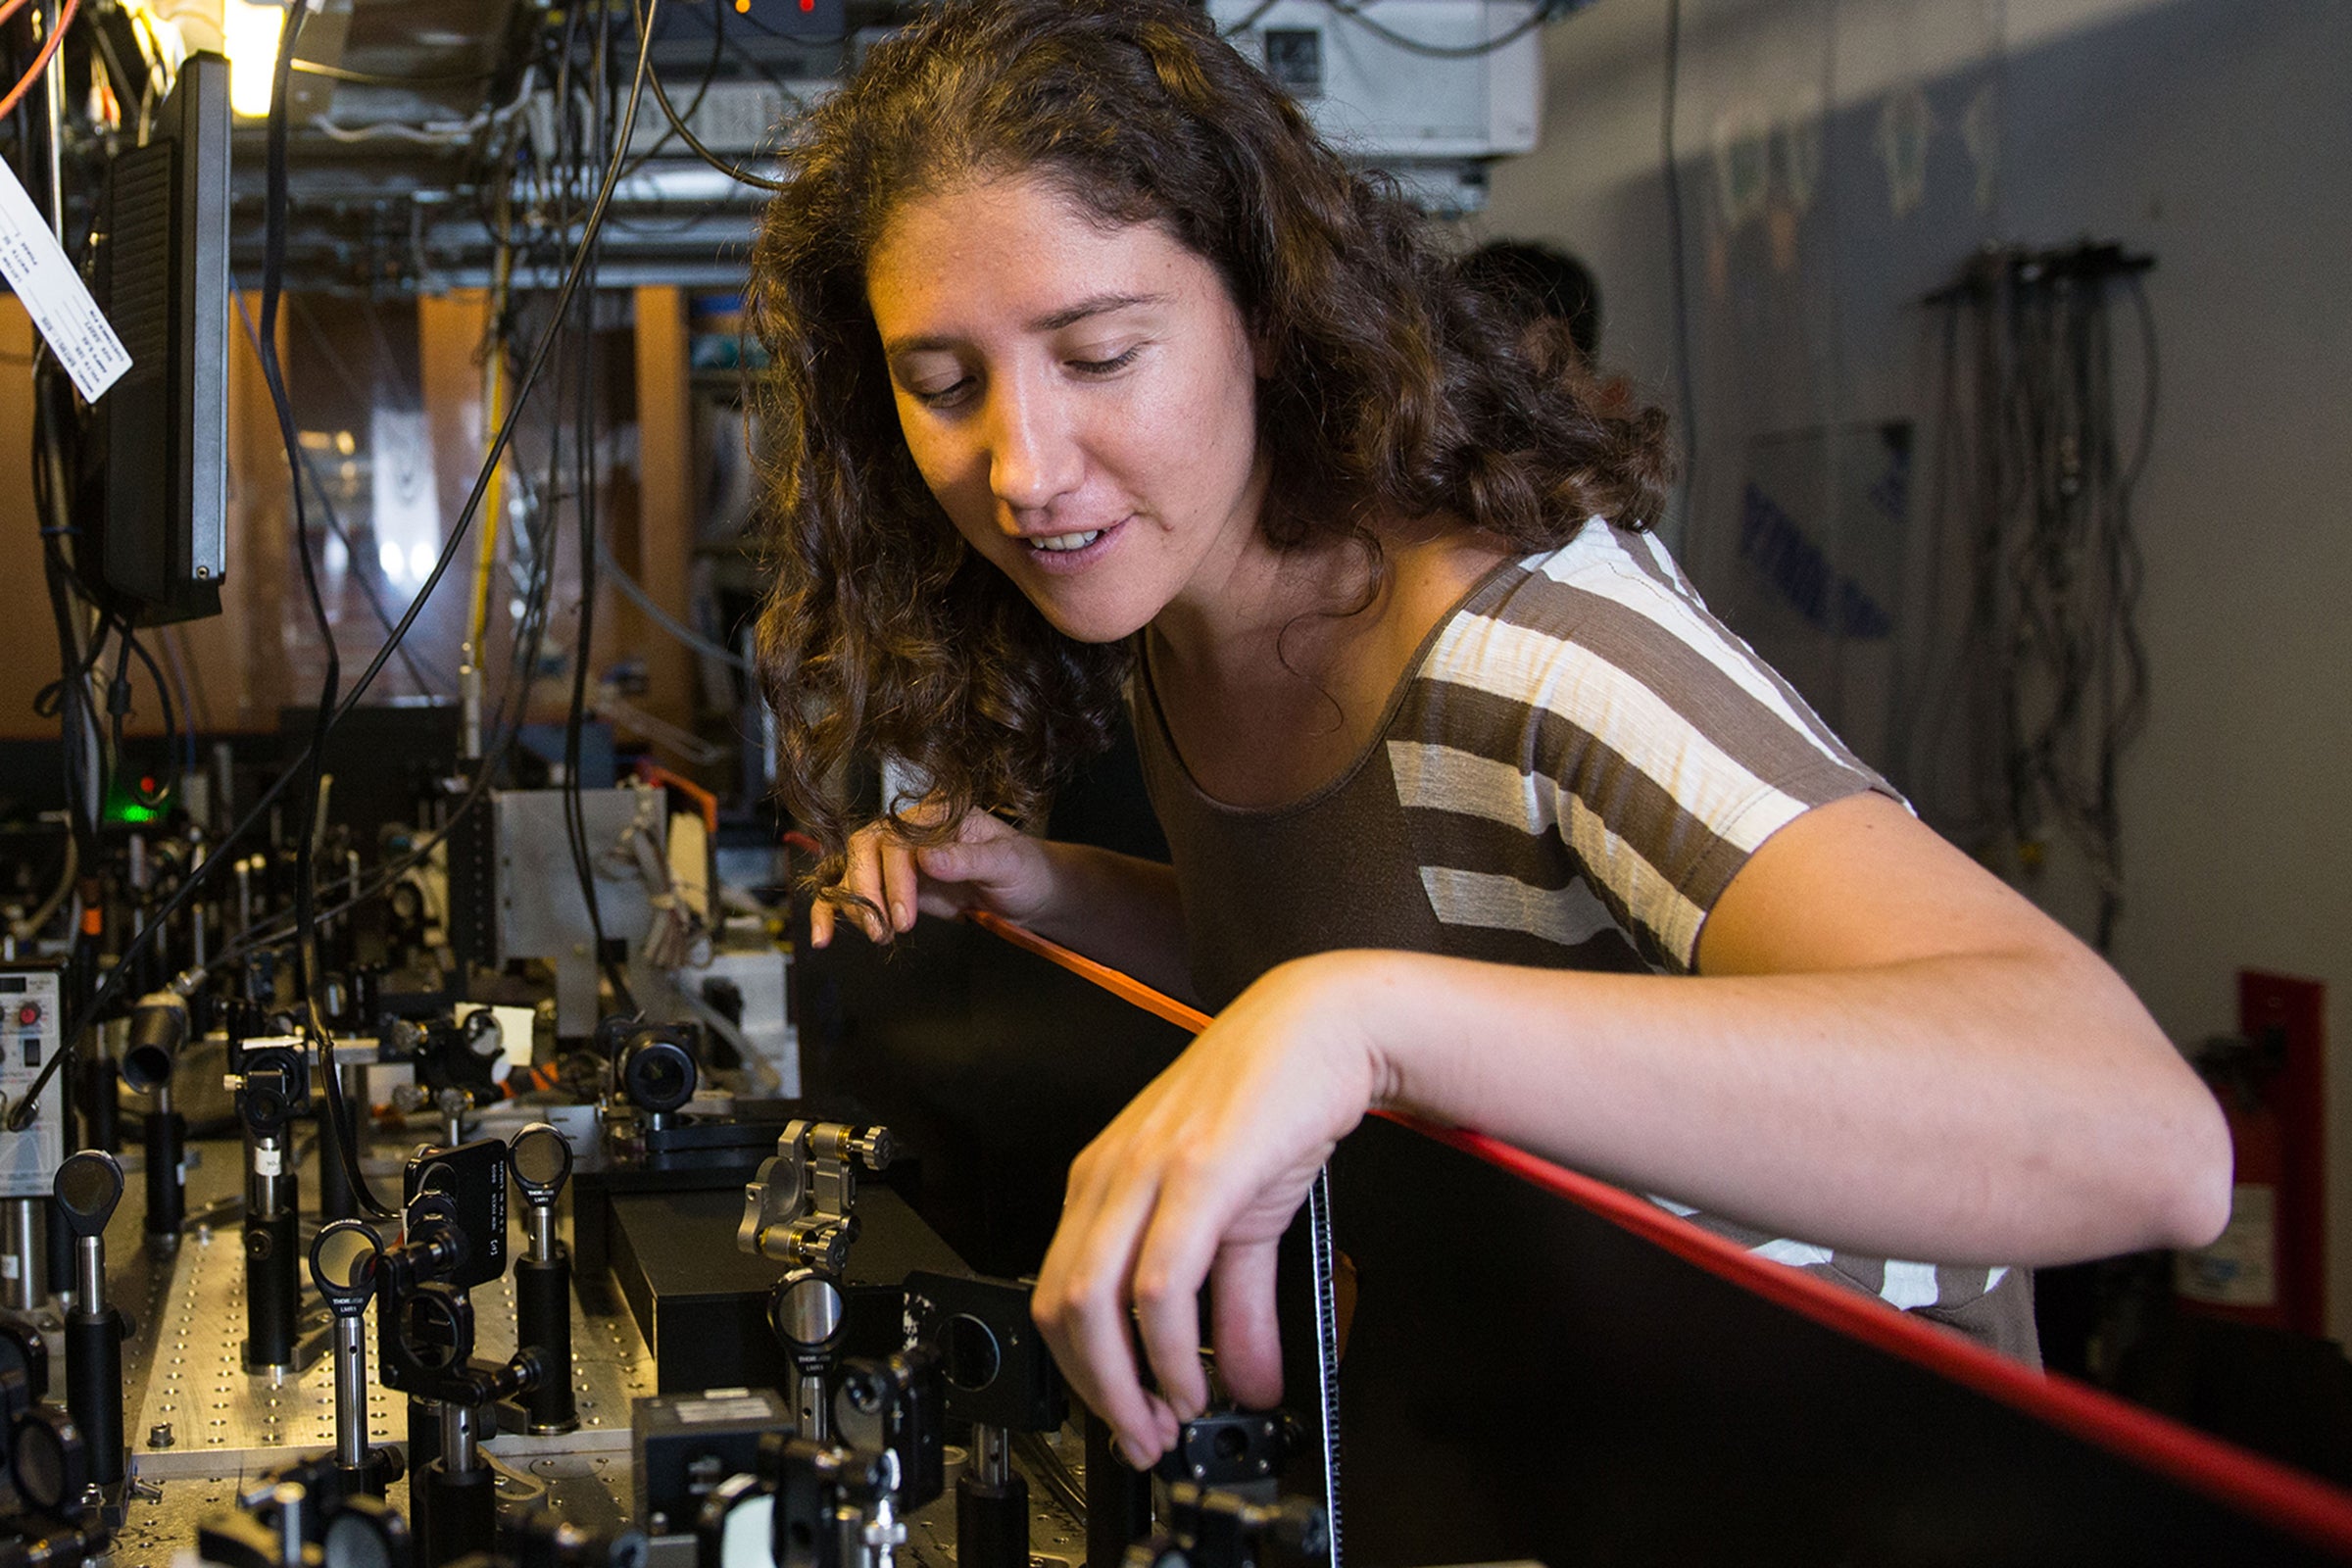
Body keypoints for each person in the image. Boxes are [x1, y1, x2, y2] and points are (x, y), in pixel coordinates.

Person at [746, 0, 2230, 1470]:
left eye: (1102, 355)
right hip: (1563, 1439)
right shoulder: (1185, 608)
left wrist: (1362, 1030)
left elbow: (2140, 1137)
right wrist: (1064, 893)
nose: (1022, 465)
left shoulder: (1535, 649)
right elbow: (1375, 950)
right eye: (943, 385)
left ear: (1262, 315)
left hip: (1849, 1479)